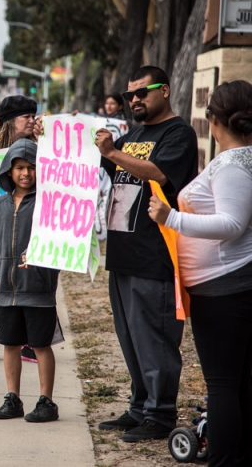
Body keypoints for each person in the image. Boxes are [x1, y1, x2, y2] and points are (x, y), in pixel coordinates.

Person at [148, 80, 252, 465]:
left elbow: (231, 224)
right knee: (239, 382)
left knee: (223, 385)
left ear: (215, 119)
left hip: (225, 290)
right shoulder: (239, 160)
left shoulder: (234, 163)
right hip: (228, 286)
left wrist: (170, 217)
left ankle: (225, 458)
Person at [94, 65, 198, 441]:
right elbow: (116, 171)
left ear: (165, 91)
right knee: (131, 337)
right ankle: (140, 407)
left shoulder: (178, 133)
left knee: (154, 337)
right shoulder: (134, 133)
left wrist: (113, 152)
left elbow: (156, 172)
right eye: (129, 95)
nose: (135, 99)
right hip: (123, 251)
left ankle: (160, 413)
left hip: (155, 254)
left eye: (142, 92)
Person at [0, 138, 60, 422]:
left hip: (37, 288)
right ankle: (12, 398)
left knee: (41, 345)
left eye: (32, 167)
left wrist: (43, 263)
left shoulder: (48, 204)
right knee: (10, 344)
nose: (26, 173)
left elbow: (59, 244)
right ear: (9, 171)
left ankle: (47, 401)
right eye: (19, 168)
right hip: (6, 289)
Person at [0, 95, 41, 364]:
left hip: (30, 224)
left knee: (29, 279)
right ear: (9, 121)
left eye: (32, 115)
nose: (31, 120)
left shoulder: (41, 147)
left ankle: (28, 339)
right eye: (25, 116)